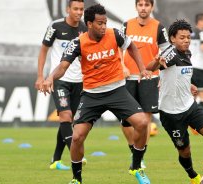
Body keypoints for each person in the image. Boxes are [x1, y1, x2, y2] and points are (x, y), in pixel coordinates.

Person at [42, 4, 152, 184]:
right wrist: (50, 78)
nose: (103, 27)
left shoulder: (115, 34)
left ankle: (136, 167)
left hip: (117, 91)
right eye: (100, 23)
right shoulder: (78, 43)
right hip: (92, 95)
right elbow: (63, 66)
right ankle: (76, 179)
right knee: (77, 137)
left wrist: (141, 69)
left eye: (105, 22)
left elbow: (132, 47)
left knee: (142, 123)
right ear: (89, 24)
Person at [146, 19, 203, 184]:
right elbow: (150, 68)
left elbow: (178, 74)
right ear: (172, 39)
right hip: (170, 114)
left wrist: (189, 85)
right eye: (182, 37)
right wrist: (157, 61)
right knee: (184, 151)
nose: (186, 40)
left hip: (189, 106)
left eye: (188, 37)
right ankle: (193, 176)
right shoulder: (170, 54)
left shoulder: (188, 53)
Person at [35, 0, 87, 170]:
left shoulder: (85, 28)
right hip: (60, 79)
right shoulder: (56, 26)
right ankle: (76, 152)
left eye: (81, 9)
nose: (79, 12)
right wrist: (41, 76)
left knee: (69, 120)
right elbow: (44, 50)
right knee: (65, 116)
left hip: (79, 80)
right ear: (68, 9)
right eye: (75, 9)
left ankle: (56, 160)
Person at [120, 0, 170, 168]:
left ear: (152, 7)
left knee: (145, 120)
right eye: (140, 4)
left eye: (146, 5)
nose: (143, 8)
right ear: (136, 6)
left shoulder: (159, 27)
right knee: (126, 121)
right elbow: (118, 48)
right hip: (128, 78)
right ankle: (133, 150)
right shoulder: (126, 25)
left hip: (149, 78)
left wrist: (162, 77)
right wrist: (122, 66)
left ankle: (139, 157)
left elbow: (166, 53)